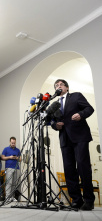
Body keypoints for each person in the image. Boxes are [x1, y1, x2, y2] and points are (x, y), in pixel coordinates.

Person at [51, 79, 95, 210]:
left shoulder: (76, 96)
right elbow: (53, 121)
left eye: (60, 85)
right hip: (65, 139)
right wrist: (55, 125)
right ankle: (76, 200)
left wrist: (81, 114)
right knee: (69, 170)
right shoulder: (55, 104)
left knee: (83, 167)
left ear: (67, 88)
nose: (58, 87)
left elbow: (89, 108)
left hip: (80, 136)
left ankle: (89, 200)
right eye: (56, 86)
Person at [1, 137, 21, 202]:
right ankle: (7, 197)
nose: (13, 144)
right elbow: (2, 157)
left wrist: (16, 158)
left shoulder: (18, 150)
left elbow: (20, 159)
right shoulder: (6, 149)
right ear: (10, 142)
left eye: (14, 143)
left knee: (14, 183)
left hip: (16, 168)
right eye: (12, 143)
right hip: (9, 167)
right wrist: (10, 157)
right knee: (9, 183)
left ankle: (12, 197)